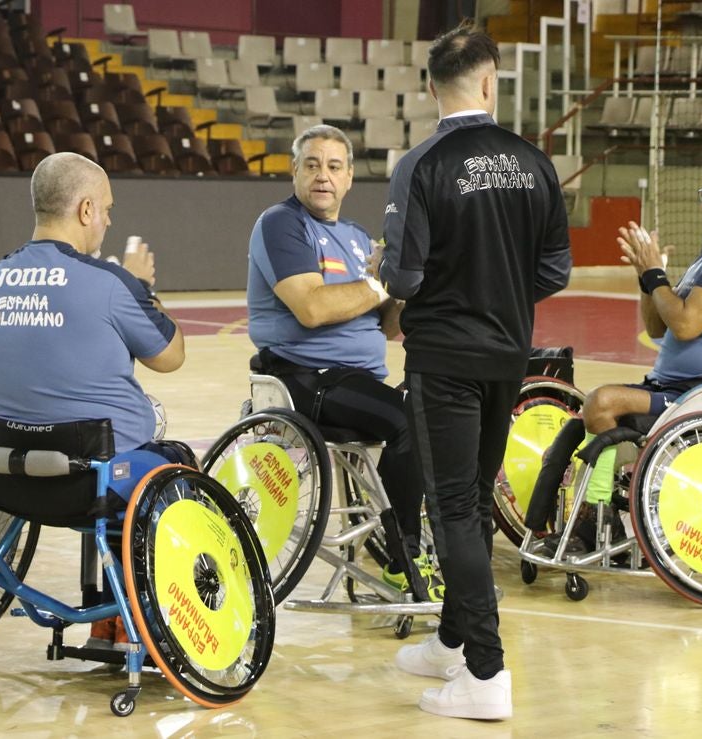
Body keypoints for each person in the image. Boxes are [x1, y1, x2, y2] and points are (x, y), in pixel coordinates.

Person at [373, 20, 572, 721]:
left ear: (431, 88)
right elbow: (554, 268)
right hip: (507, 356)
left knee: (451, 506)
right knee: (475, 499)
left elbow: (403, 273)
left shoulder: (420, 166)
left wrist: (397, 281)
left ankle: (486, 672)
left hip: (445, 358)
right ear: (490, 82)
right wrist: (500, 294)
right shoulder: (535, 162)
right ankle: (452, 640)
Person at [0, 152, 185, 648]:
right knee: (169, 462)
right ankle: (139, 620)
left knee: (108, 450)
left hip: (3, 479)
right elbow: (170, 355)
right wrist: (142, 287)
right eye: (107, 209)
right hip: (88, 484)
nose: (109, 221)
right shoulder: (108, 283)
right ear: (86, 210)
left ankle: (106, 617)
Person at [530, 156, 702, 551]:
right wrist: (646, 277)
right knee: (591, 412)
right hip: (674, 389)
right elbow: (658, 326)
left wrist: (655, 274)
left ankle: (594, 522)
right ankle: (596, 516)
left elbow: (686, 324)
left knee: (602, 402)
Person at [245, 124, 437, 600]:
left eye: (333, 166)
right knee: (408, 421)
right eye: (311, 165)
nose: (322, 176)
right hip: (305, 377)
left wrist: (410, 282)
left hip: (357, 379)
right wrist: (379, 284)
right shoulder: (281, 224)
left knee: (441, 402)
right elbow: (312, 309)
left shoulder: (355, 236)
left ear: (350, 177)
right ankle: (403, 557)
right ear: (294, 172)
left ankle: (423, 540)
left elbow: (389, 326)